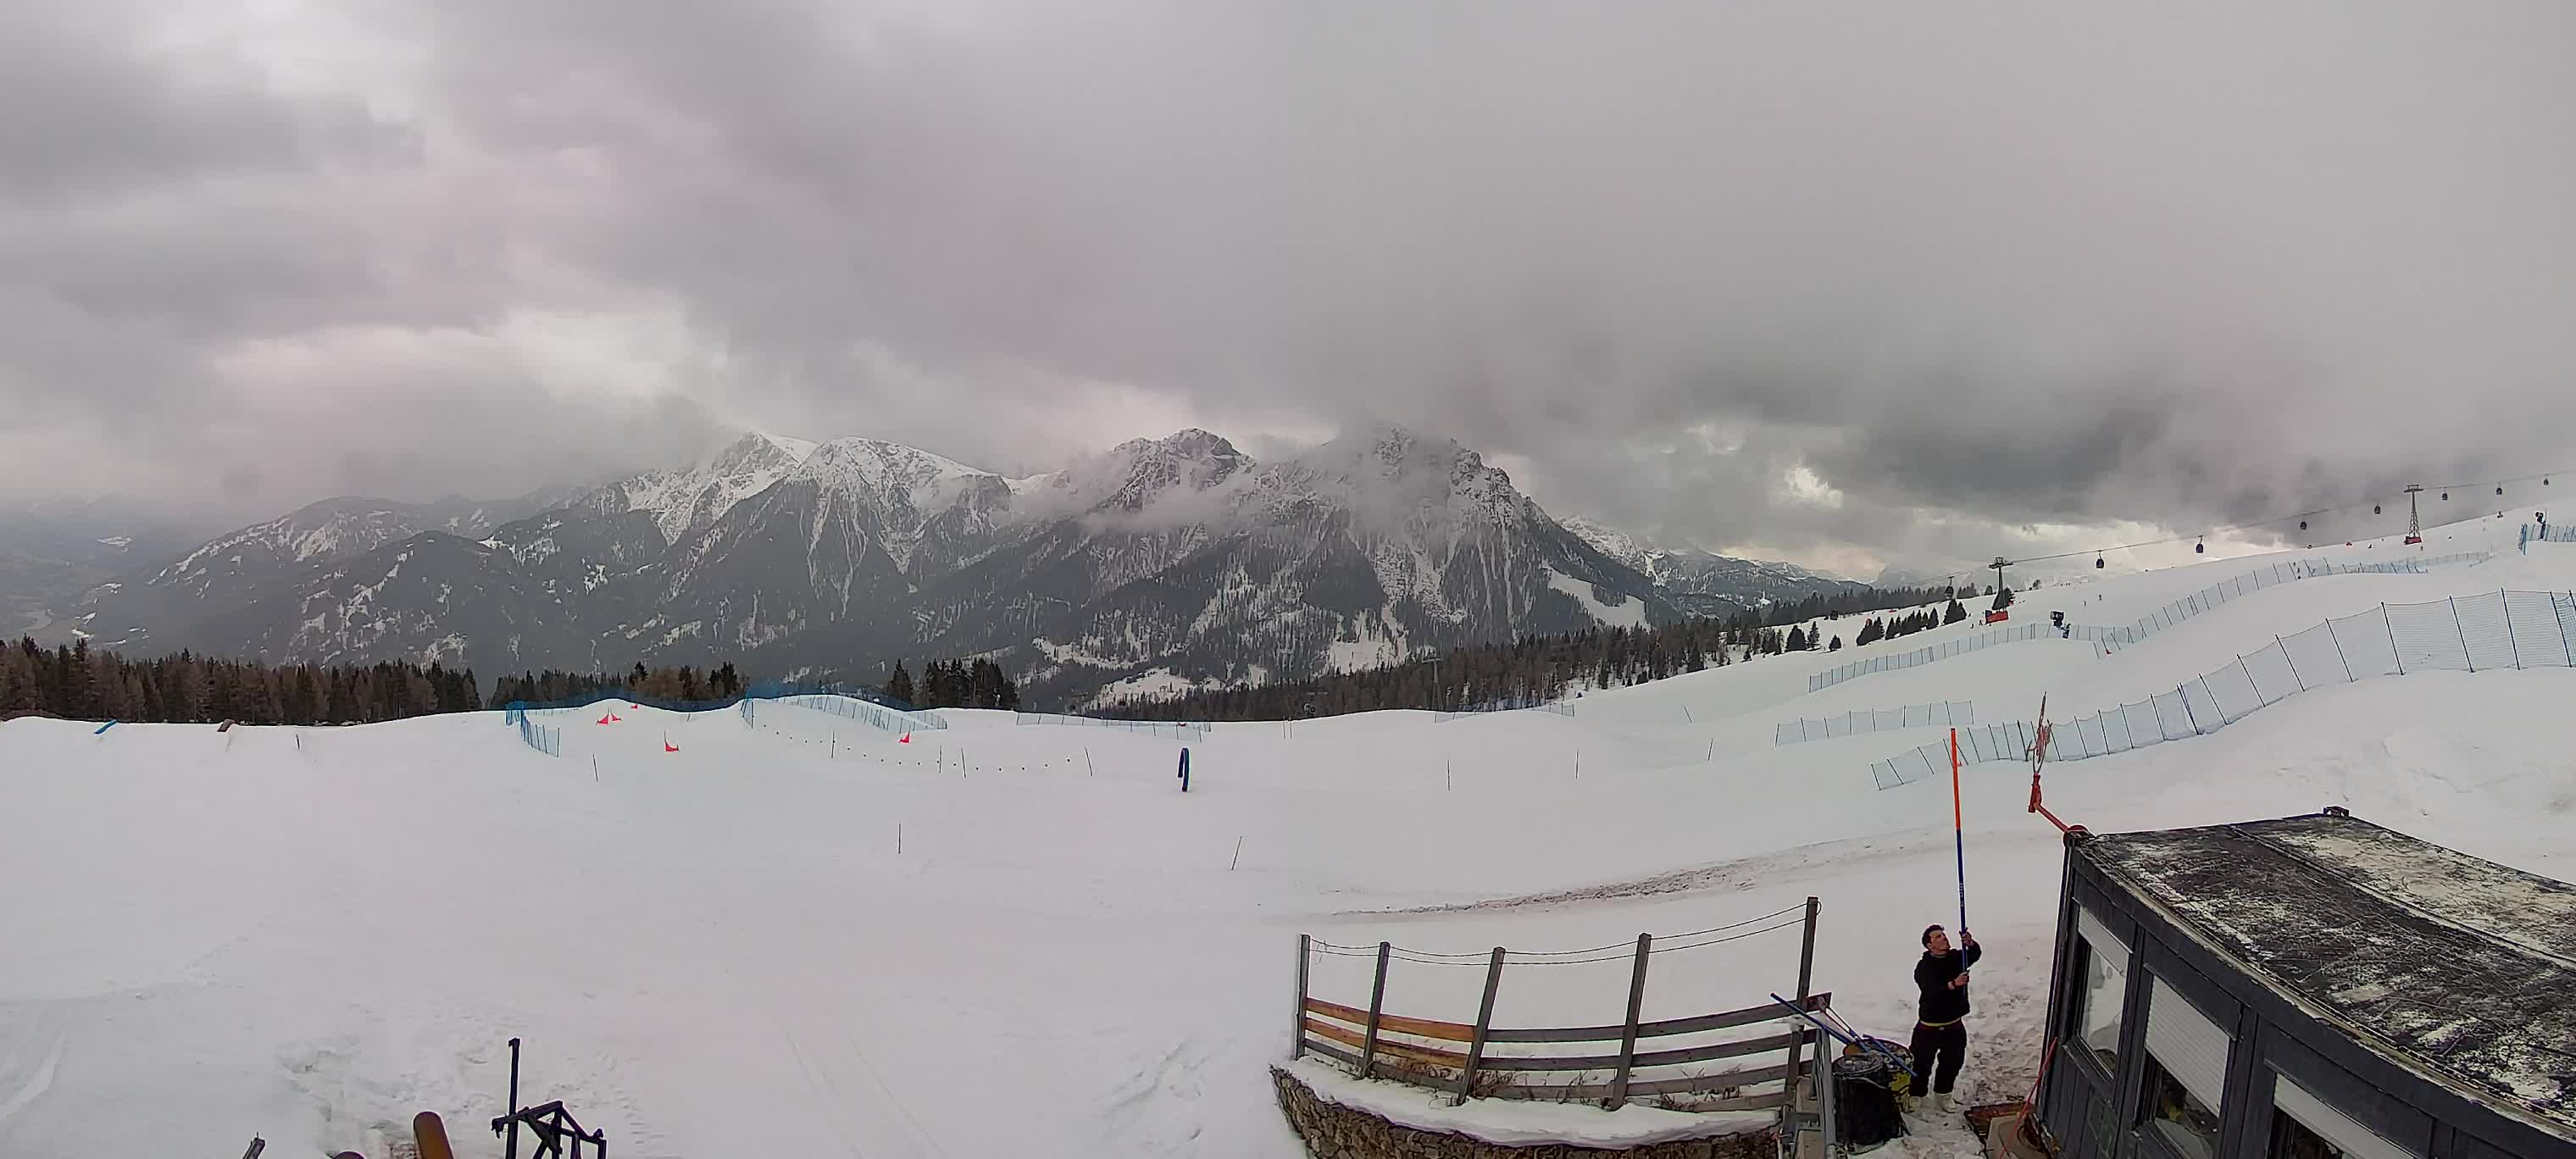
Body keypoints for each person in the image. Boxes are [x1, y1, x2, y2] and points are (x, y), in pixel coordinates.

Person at [1910, 924, 1981, 1112]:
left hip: (1954, 1023)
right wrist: (1953, 984)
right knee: (1921, 1062)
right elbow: (1930, 990)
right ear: (1929, 945)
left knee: (1952, 1061)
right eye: (1938, 937)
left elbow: (1974, 955)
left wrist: (1970, 943)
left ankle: (1943, 1093)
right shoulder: (1924, 967)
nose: (1944, 938)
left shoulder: (1956, 957)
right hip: (1929, 1026)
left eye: (1943, 935)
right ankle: (1916, 1093)